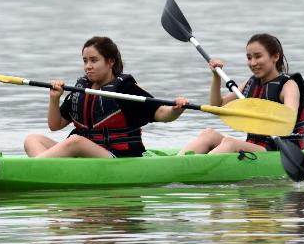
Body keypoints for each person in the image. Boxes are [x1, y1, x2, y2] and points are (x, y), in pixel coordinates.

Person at [24, 36, 187, 159]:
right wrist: (54, 99)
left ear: (110, 62)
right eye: (85, 61)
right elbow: (55, 125)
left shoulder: (125, 89)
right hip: (85, 155)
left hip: (118, 158)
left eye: (94, 61)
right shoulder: (82, 89)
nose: (88, 66)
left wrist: (175, 109)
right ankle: (45, 169)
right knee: (32, 139)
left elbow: (161, 113)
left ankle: (34, 169)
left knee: (75, 141)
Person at [179, 33, 304, 155]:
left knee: (230, 143)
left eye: (258, 56)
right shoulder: (250, 83)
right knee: (208, 134)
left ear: (275, 57)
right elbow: (217, 106)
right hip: (254, 145)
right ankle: (179, 162)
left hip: (281, 149)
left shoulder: (289, 86)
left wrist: (259, 112)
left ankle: (196, 167)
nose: (253, 63)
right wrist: (216, 76)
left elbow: (288, 120)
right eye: (249, 57)